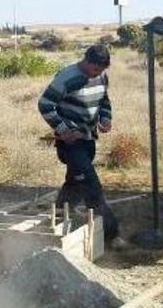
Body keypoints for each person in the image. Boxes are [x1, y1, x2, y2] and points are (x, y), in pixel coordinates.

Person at [38, 44, 125, 249]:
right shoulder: (67, 77)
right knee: (91, 185)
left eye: (102, 70)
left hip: (88, 139)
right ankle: (112, 235)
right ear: (86, 61)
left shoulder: (102, 76)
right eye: (95, 69)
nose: (98, 74)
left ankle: (58, 216)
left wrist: (106, 118)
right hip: (70, 142)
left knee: (75, 182)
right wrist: (62, 129)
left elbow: (104, 100)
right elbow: (44, 104)